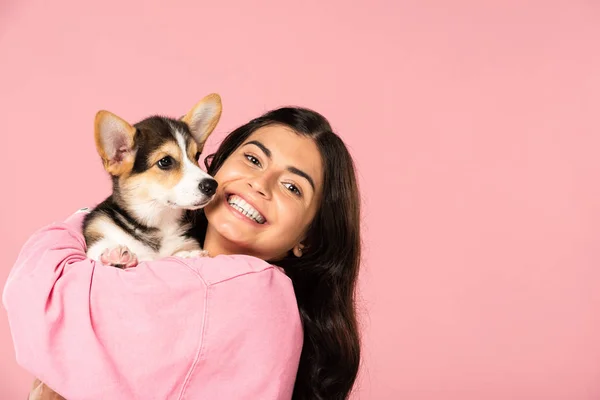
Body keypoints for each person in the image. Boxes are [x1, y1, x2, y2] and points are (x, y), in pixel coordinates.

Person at [3, 106, 362, 400]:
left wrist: (75, 226)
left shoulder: (243, 289)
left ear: (309, 239)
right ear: (217, 163)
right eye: (253, 160)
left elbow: (41, 304)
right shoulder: (188, 260)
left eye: (292, 187)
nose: (259, 184)